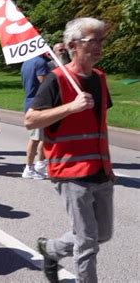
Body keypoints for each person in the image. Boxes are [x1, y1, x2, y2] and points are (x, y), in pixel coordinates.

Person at [25, 17, 115, 283]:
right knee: (87, 243)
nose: (100, 46)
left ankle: (50, 249)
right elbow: (30, 119)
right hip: (70, 171)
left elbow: (100, 127)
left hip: (100, 171)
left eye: (102, 40)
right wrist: (70, 107)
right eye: (93, 41)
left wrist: (109, 168)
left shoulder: (100, 77)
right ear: (74, 45)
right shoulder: (57, 79)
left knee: (103, 234)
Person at [20, 55, 50, 179]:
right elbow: (44, 83)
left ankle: (39, 165)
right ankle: (29, 168)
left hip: (31, 102)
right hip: (39, 105)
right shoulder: (41, 62)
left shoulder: (26, 62)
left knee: (43, 137)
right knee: (36, 138)